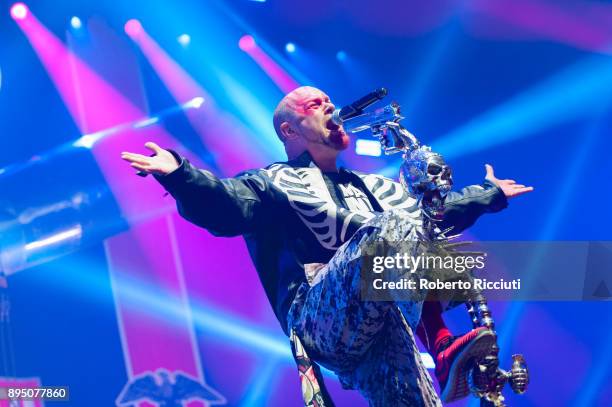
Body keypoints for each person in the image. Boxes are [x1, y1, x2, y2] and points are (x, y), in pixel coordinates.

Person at [121, 86, 533, 406]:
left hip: (384, 318)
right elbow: (225, 205)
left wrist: (488, 194)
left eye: (330, 101)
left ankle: (442, 357)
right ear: (290, 130)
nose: (331, 108)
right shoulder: (270, 183)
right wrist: (179, 174)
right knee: (394, 225)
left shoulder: (374, 186)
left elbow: (434, 214)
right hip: (319, 315)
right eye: (317, 105)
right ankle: (440, 339)